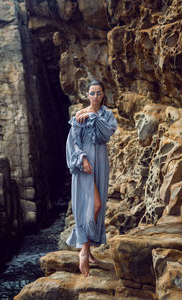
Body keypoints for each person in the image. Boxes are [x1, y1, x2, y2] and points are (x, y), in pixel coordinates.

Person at [66, 80, 117, 277]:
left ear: (103, 94)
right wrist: (82, 160)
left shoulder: (107, 115)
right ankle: (84, 251)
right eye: (92, 93)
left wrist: (94, 115)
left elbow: (106, 134)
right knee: (92, 205)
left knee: (98, 205)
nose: (95, 96)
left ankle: (88, 247)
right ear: (87, 95)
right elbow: (73, 141)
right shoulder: (78, 116)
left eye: (98, 93)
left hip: (101, 163)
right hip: (85, 165)